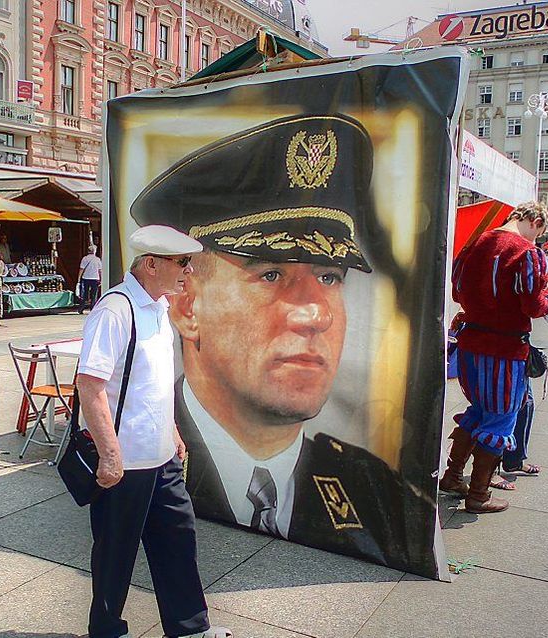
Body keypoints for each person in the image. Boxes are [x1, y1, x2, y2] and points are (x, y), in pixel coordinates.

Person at [130, 113, 430, 570]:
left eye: (330, 276)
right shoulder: (143, 454)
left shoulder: (378, 494)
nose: (317, 313)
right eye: (271, 274)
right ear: (188, 307)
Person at [75, 225, 230, 638]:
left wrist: (172, 430)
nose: (188, 271)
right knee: (114, 556)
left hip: (161, 459)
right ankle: (106, 631)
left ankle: (190, 628)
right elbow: (90, 387)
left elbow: (152, 384)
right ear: (151, 264)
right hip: (125, 464)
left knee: (178, 541)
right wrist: (109, 455)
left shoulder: (158, 309)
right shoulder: (116, 309)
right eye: (182, 263)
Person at [440, 201, 548, 514]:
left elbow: (457, 290)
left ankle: (452, 477)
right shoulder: (527, 252)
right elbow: (533, 305)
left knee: (478, 408)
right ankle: (478, 495)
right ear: (533, 220)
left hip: (470, 345)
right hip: (503, 349)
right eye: (539, 232)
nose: (536, 239)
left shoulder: (476, 243)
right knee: (502, 416)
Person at [77, 244, 102, 313]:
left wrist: (79, 279)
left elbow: (81, 269)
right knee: (94, 294)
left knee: (84, 294)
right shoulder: (97, 259)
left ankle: (81, 308)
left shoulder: (84, 258)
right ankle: (92, 308)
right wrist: (101, 279)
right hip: (95, 278)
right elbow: (100, 270)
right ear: (94, 251)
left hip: (86, 278)